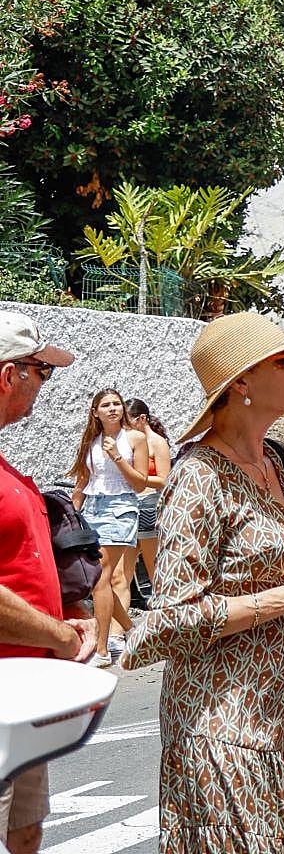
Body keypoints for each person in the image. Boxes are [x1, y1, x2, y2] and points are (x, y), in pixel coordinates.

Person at [124, 312, 284, 853]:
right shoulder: (199, 478)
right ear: (240, 384)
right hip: (225, 726)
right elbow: (168, 624)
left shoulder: (280, 462)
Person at [0, 314, 90, 854]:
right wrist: (60, 635)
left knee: (24, 831)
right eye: (41, 371)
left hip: (23, 685)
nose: (44, 383)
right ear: (9, 375)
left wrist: (71, 612)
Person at [70, 387, 146, 664]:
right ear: (96, 412)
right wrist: (72, 513)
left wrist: (116, 456)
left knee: (100, 575)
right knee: (96, 578)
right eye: (106, 405)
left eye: (116, 404)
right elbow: (82, 481)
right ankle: (131, 629)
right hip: (93, 508)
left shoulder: (135, 438)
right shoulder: (91, 441)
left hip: (121, 507)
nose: (113, 408)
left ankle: (101, 650)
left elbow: (139, 484)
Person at [127, 399, 172, 600]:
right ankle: (119, 628)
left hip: (149, 506)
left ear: (142, 419)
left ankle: (165, 614)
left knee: (155, 570)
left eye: (128, 423)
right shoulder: (129, 443)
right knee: (121, 575)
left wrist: (137, 477)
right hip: (129, 507)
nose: (124, 429)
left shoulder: (157, 443)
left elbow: (164, 479)